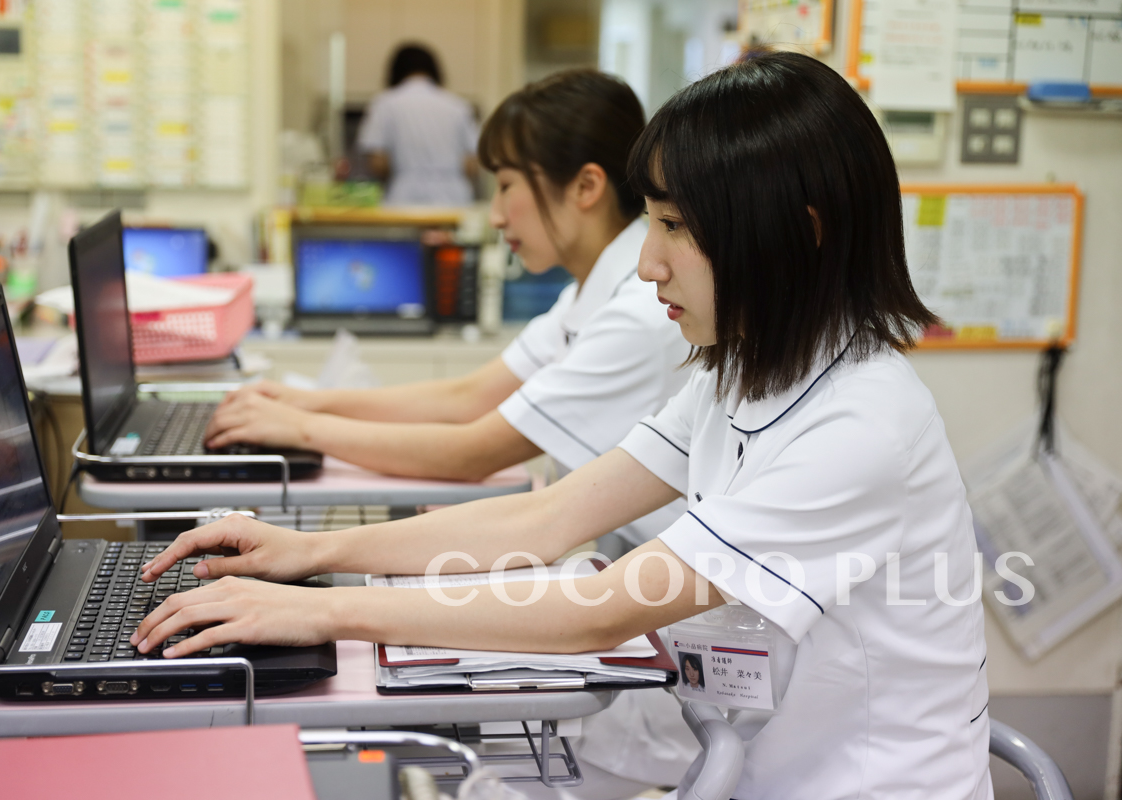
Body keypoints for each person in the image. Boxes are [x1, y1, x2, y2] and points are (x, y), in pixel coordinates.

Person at [136, 52, 990, 799]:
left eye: (676, 227)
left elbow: (601, 610)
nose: (648, 263)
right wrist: (311, 555)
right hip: (746, 756)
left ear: (800, 235)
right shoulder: (743, 374)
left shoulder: (860, 426)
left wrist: (323, 614)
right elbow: (547, 517)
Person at [207, 69, 692, 555]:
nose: (496, 215)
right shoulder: (589, 294)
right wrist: (300, 402)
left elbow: (473, 452)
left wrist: (300, 429)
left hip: (663, 576)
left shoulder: (637, 315)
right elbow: (466, 397)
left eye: (506, 185)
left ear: (586, 186)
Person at [356, 44, 480, 206]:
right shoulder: (458, 105)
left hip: (404, 197)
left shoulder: (385, 103)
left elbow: (378, 162)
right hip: (454, 198)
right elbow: (472, 164)